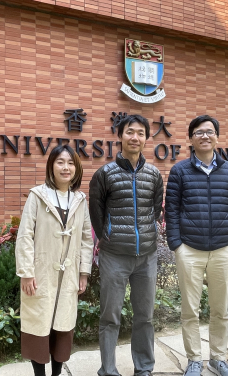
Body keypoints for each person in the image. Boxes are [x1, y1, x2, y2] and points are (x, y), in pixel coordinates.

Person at [165, 114, 228, 376]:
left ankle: (218, 358)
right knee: (190, 310)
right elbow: (172, 211)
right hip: (189, 249)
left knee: (220, 310)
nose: (205, 136)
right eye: (199, 132)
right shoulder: (179, 170)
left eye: (209, 132)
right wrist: (177, 244)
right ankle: (194, 360)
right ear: (191, 138)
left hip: (224, 249)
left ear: (217, 137)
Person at [89, 114, 164, 376]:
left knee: (145, 317)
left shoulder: (154, 174)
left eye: (140, 133)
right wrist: (109, 238)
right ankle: (108, 370)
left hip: (147, 256)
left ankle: (144, 368)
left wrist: (144, 236)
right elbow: (96, 215)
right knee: (110, 316)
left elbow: (155, 212)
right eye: (130, 132)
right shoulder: (104, 174)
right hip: (114, 256)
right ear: (120, 136)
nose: (135, 137)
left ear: (146, 138)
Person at [15, 145, 94, 376]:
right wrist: (27, 272)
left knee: (63, 326)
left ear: (76, 168)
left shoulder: (79, 200)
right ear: (51, 166)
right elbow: (25, 235)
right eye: (60, 162)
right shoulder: (37, 196)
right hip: (40, 275)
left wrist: (83, 273)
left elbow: (87, 239)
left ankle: (57, 374)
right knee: (38, 326)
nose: (66, 167)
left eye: (70, 163)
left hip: (68, 275)